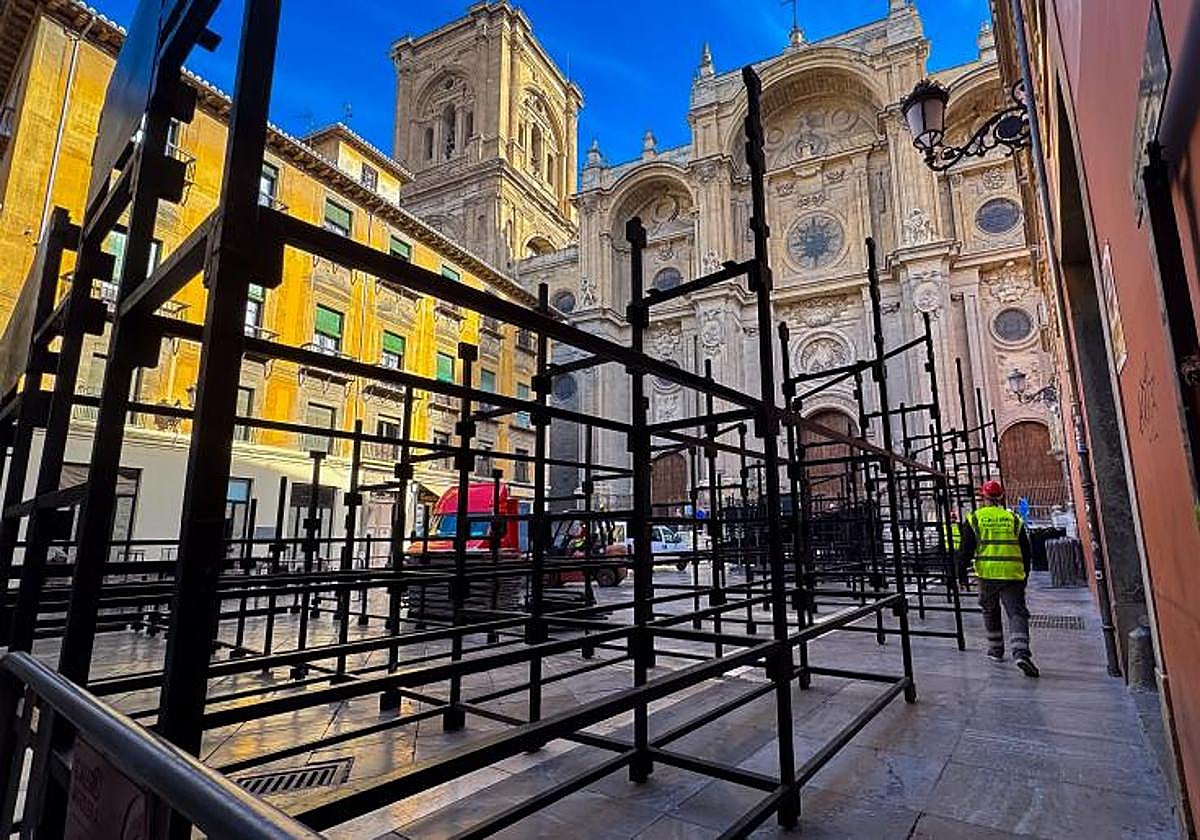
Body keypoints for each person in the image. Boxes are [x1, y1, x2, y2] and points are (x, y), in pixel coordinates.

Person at [956, 479, 1039, 677]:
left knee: (989, 610)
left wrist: (961, 575)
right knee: (1017, 613)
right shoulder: (1013, 519)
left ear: (983, 497)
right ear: (1001, 497)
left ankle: (996, 649)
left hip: (987, 574)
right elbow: (1026, 550)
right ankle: (1021, 652)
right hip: (1012, 574)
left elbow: (965, 550)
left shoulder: (975, 518)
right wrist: (1025, 573)